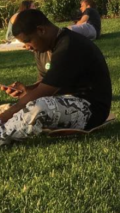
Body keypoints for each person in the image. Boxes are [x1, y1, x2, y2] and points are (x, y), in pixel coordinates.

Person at [0, 9, 112, 144]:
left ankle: (3, 133)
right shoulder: (42, 49)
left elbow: (43, 93)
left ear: (41, 30)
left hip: (89, 109)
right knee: (8, 108)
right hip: (60, 101)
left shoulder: (69, 46)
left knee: (38, 108)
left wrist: (4, 117)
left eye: (28, 41)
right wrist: (26, 90)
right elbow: (43, 84)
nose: (27, 46)